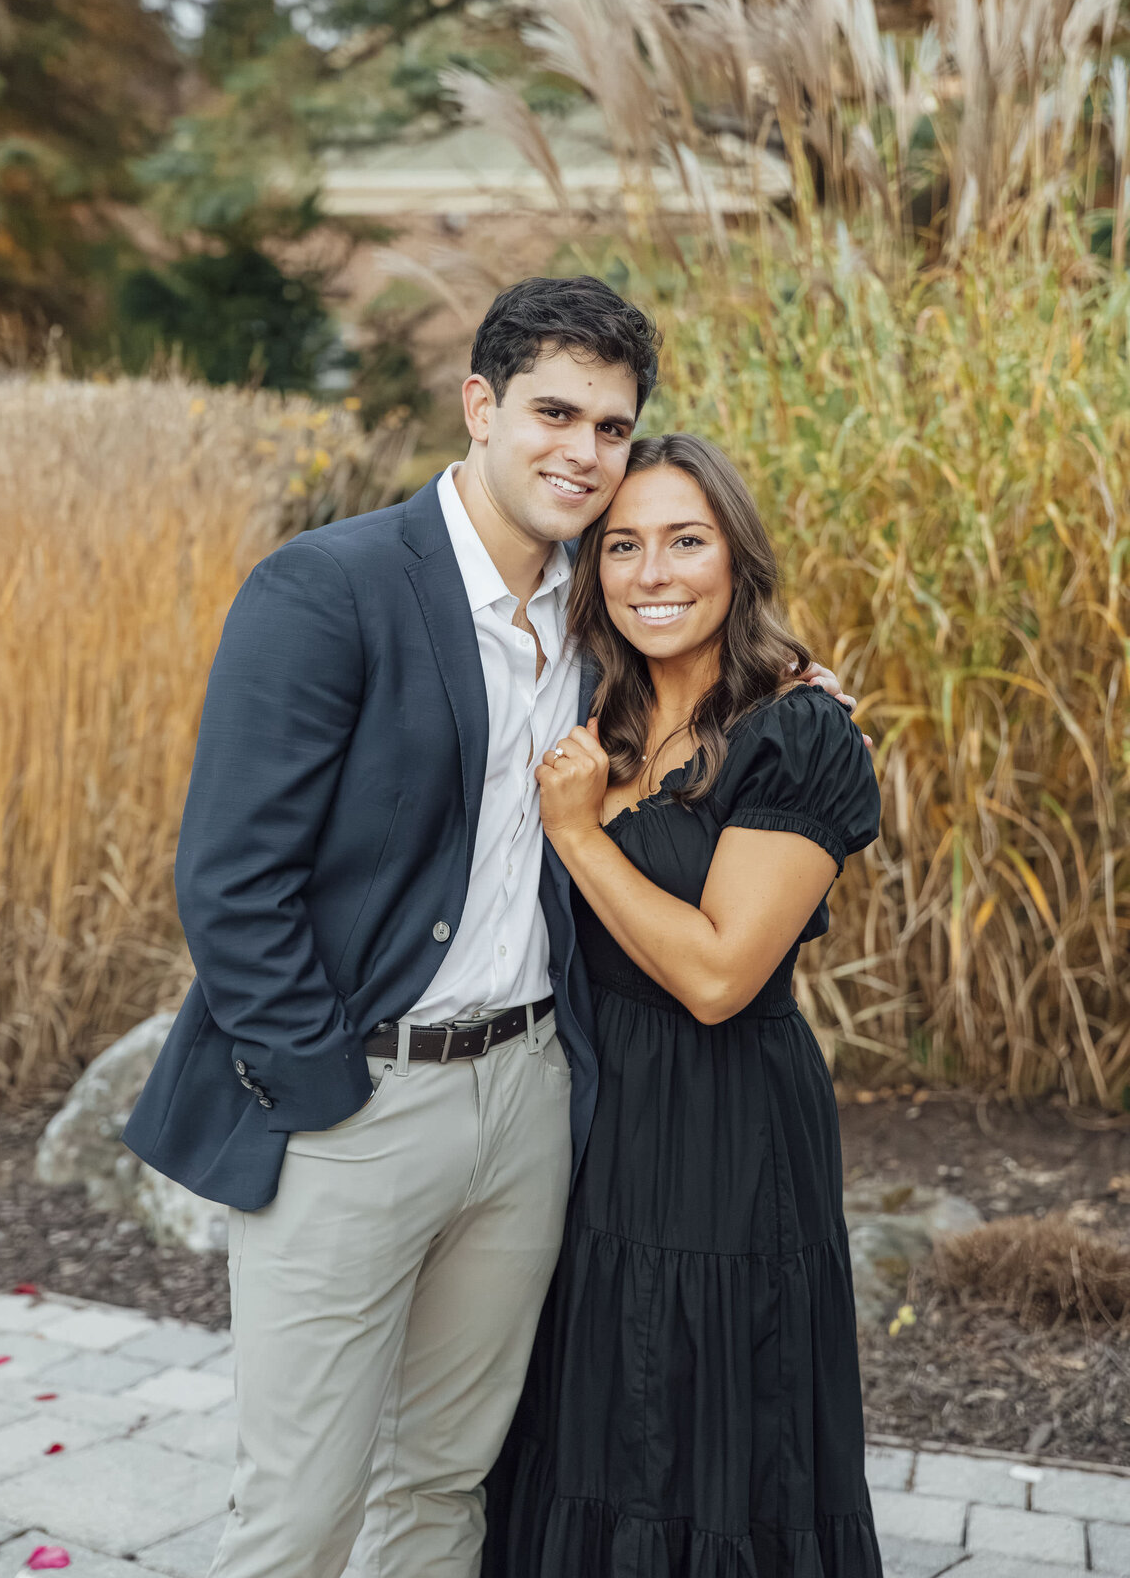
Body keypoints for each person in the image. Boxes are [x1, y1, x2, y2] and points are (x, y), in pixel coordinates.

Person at [122, 278, 860, 1578]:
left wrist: (790, 681)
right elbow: (231, 881)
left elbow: (706, 676)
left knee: (449, 1482)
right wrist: (324, 1093)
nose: (583, 451)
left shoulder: (597, 611)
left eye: (611, 426)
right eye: (554, 413)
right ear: (481, 405)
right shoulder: (330, 587)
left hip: (534, 1103)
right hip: (361, 1106)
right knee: (300, 1511)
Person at [482, 433, 884, 1578]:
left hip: (726, 1135)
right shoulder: (586, 712)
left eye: (686, 541)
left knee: (707, 1433)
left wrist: (580, 836)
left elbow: (717, 978)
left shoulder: (795, 732)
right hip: (589, 1122)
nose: (653, 573)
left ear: (737, 559)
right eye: (622, 546)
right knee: (590, 1422)